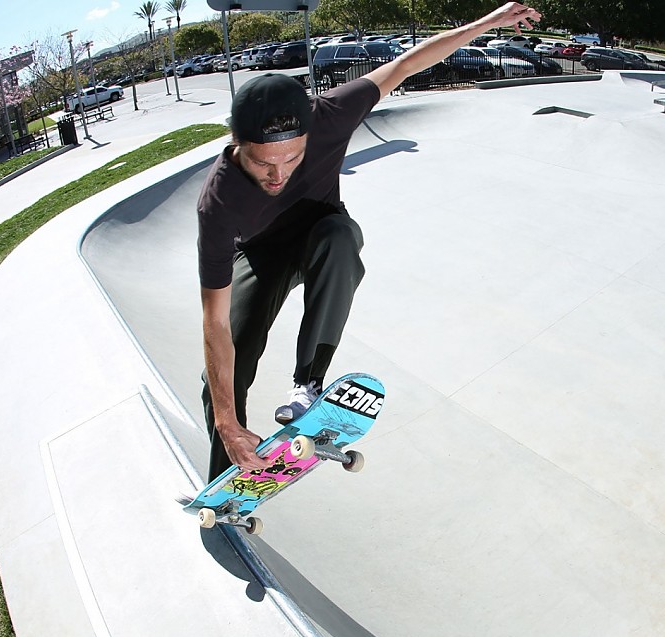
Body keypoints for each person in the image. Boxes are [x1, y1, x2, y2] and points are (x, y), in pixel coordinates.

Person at [197, 2, 542, 480]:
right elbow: (214, 321)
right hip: (260, 253)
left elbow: (406, 62)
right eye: (262, 165)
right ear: (237, 144)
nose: (277, 175)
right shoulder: (217, 202)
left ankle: (308, 384)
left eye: (292, 160)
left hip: (321, 232)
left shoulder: (332, 114)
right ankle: (222, 479)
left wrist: (488, 23)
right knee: (224, 373)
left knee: (340, 236)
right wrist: (226, 419)